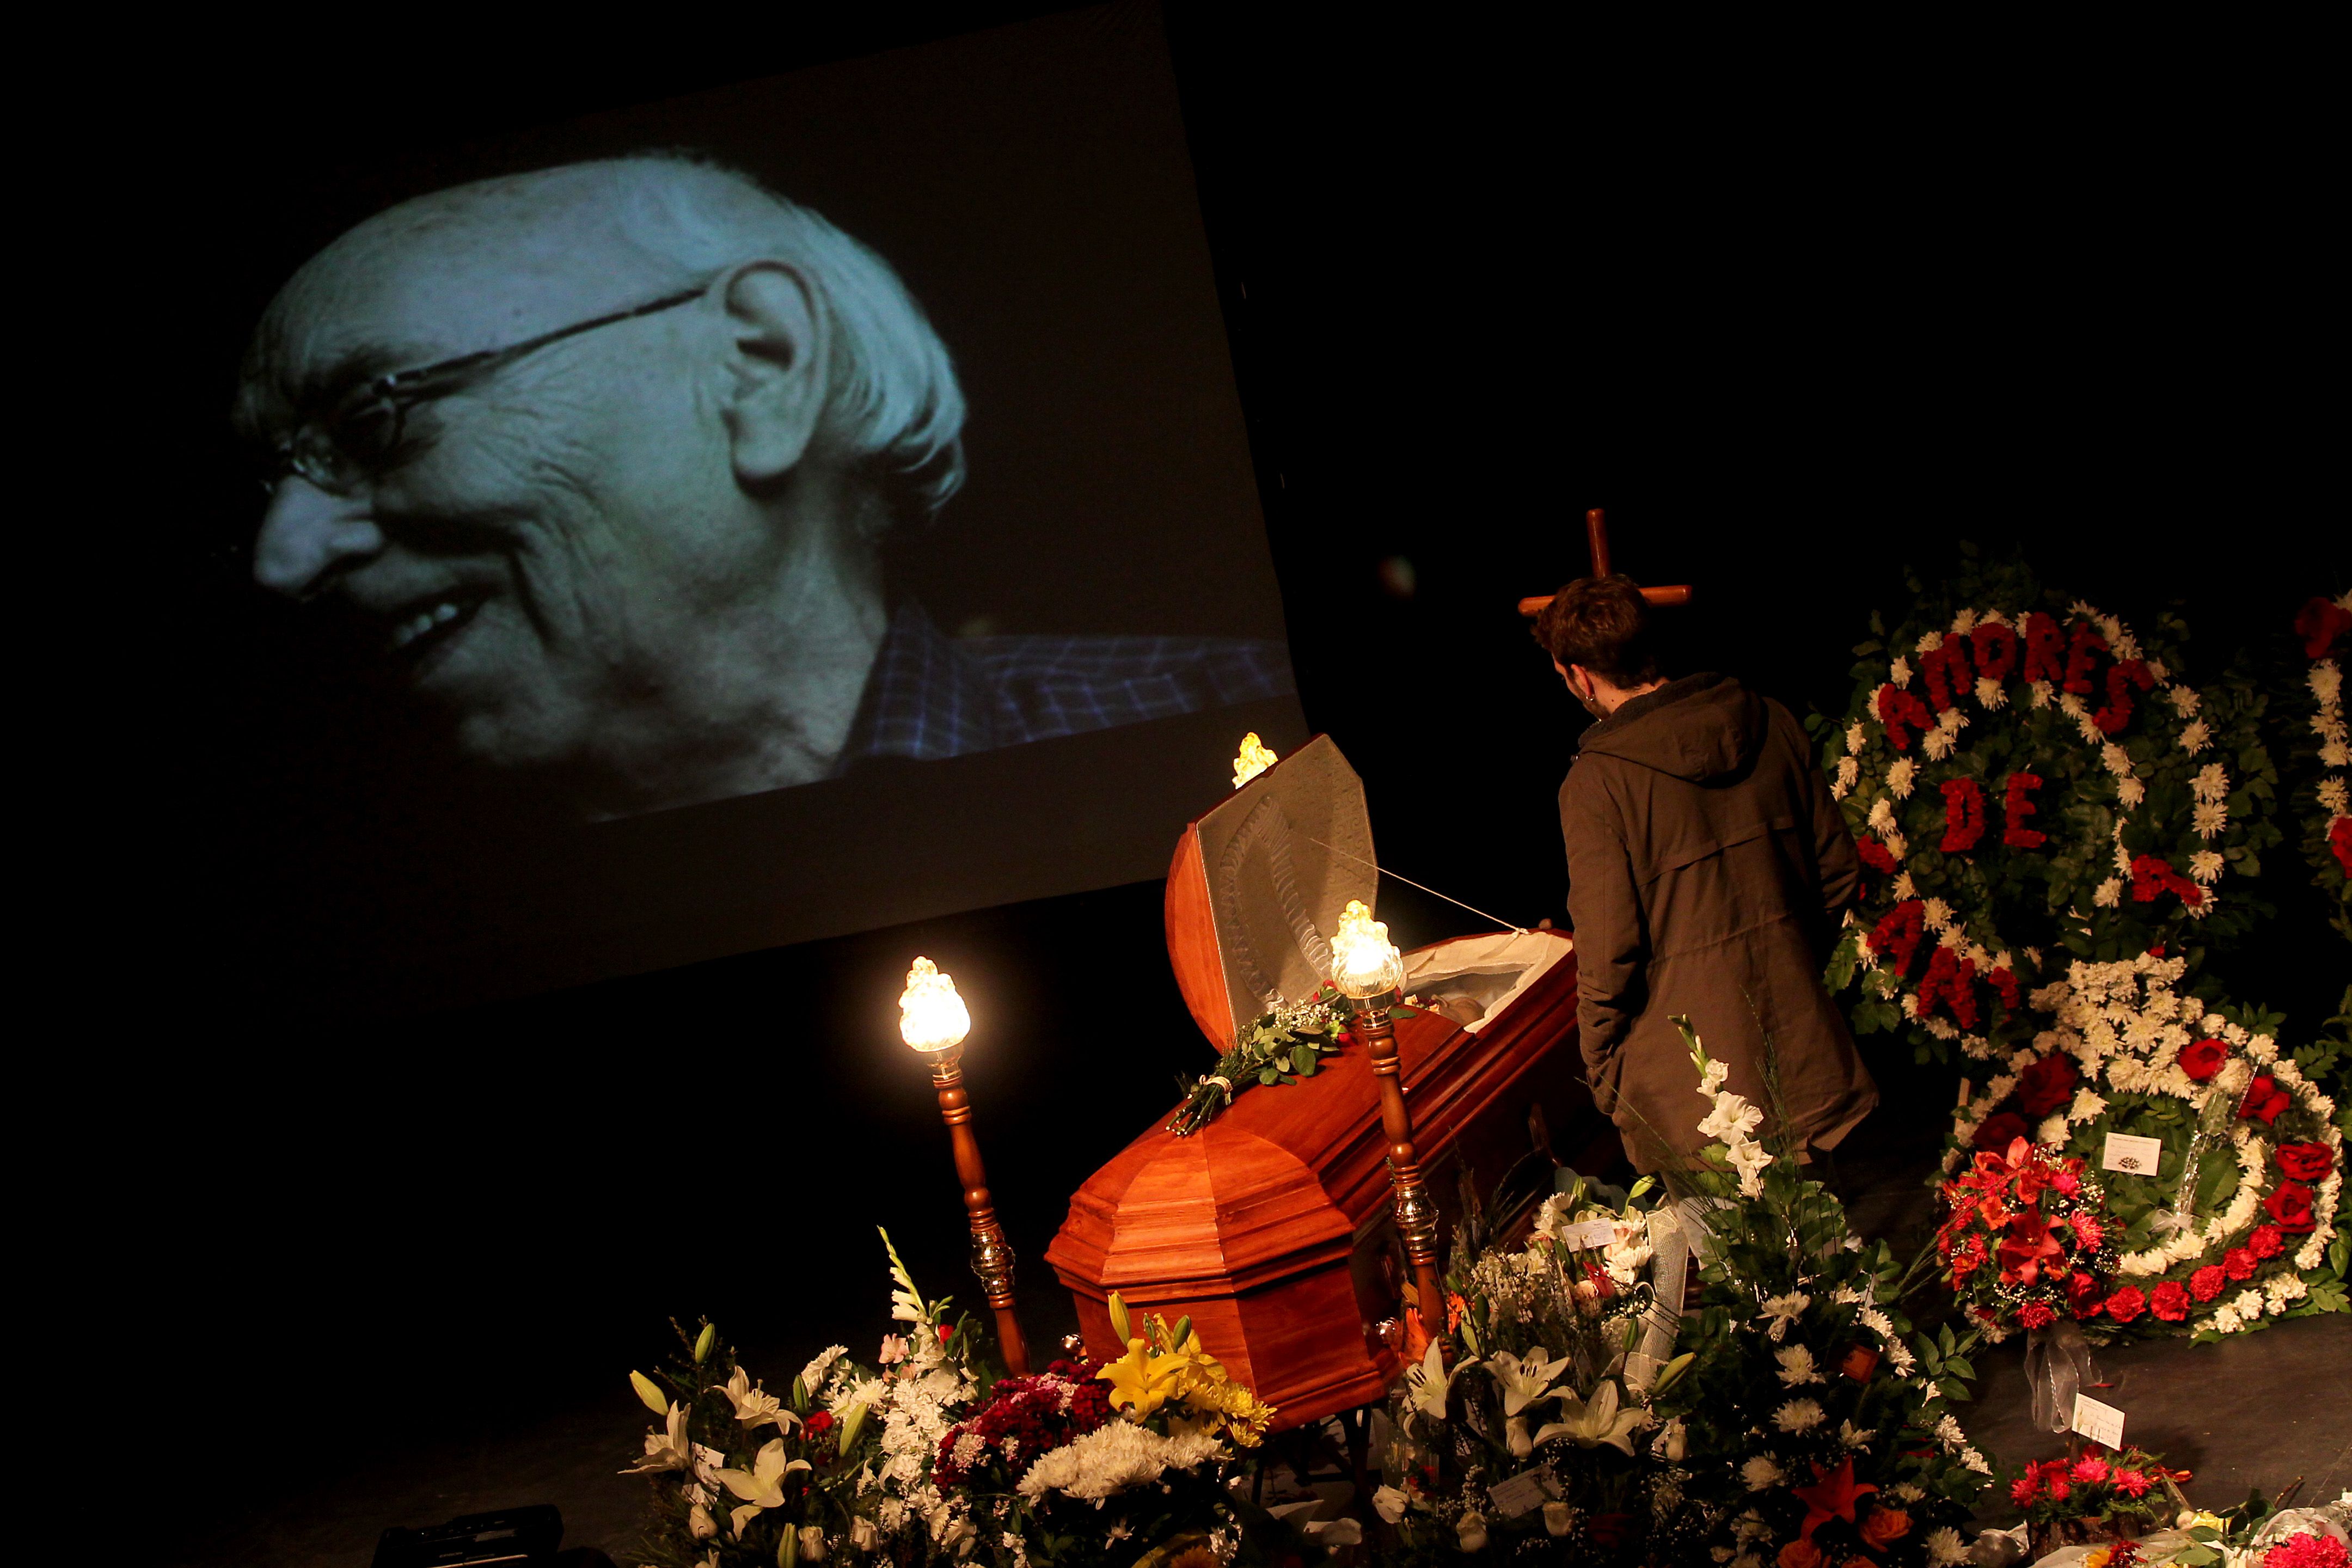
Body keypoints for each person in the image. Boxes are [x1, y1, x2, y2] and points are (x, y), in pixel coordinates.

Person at [235, 154, 1290, 820]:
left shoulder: (1255, 728)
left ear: (761, 364)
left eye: (376, 419)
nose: (280, 560)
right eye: (275, 475)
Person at [1536, 575, 1876, 1173]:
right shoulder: (1770, 722)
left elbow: (1609, 951)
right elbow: (1838, 872)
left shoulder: (1595, 786)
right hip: (1806, 1054)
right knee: (1832, 1260)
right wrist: (1788, 958)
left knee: (1738, 1268)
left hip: (1692, 1097)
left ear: (1579, 676)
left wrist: (1601, 1069)